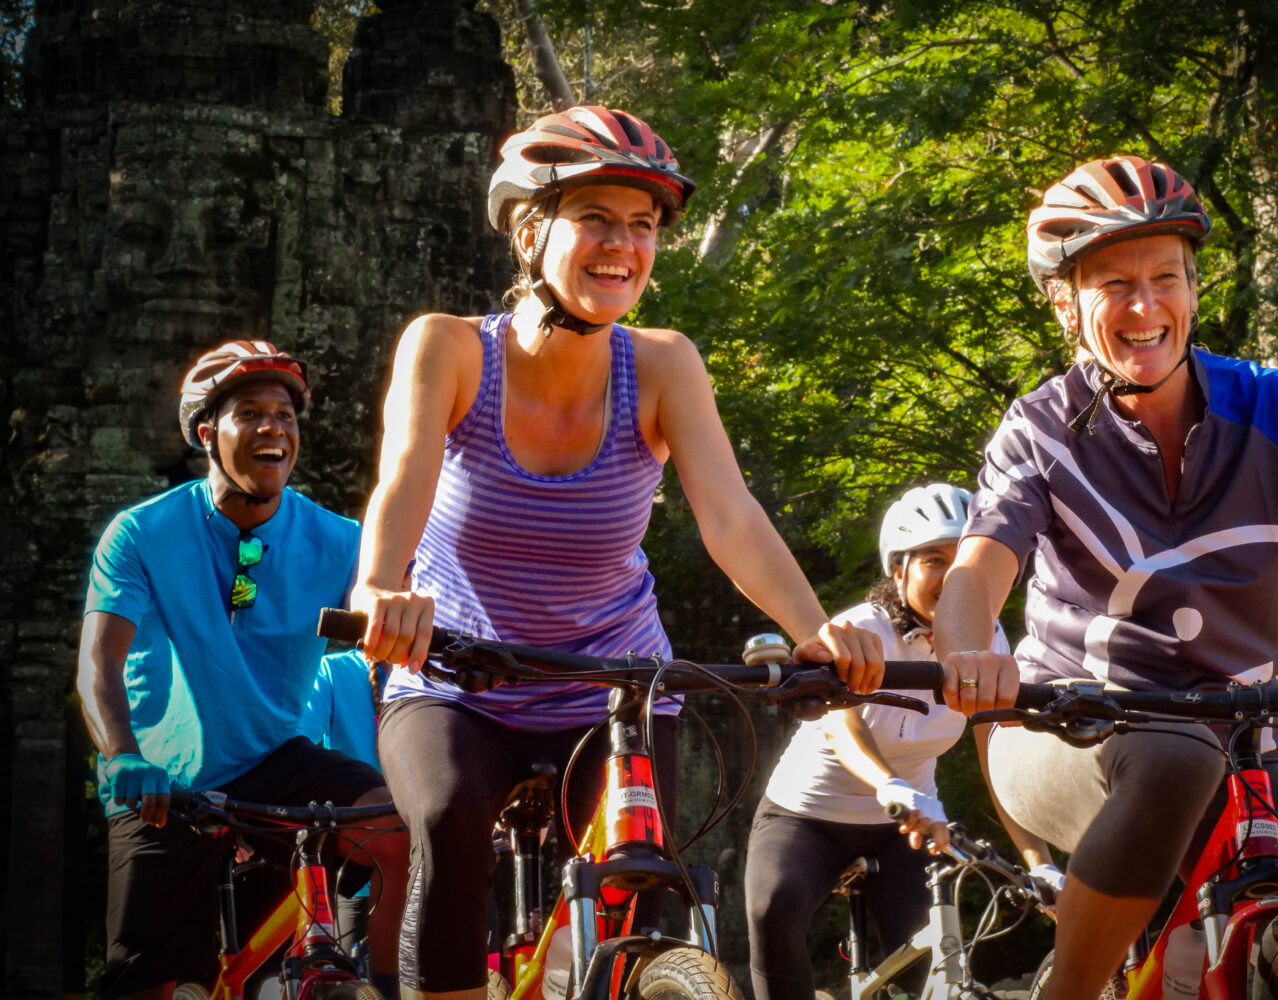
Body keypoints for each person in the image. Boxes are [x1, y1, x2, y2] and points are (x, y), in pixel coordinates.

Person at [351, 105, 947, 998]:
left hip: (618, 685)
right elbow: (403, 481)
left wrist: (815, 630)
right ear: (528, 230)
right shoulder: (448, 348)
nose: (621, 245)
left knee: (639, 875)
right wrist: (378, 588)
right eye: (595, 218)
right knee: (446, 818)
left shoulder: (665, 365)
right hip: (459, 679)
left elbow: (730, 517)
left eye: (642, 226)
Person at [933, 155, 1278, 1000]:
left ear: (1195, 290)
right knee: (1171, 760)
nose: (1144, 305)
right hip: (1066, 731)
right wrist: (970, 647)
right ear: (1064, 301)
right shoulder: (1038, 430)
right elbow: (979, 567)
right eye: (1112, 284)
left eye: (1166, 277)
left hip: (1245, 750)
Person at [76, 340, 409, 1000]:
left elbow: (401, 622)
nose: (273, 429)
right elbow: (98, 665)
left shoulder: (340, 541)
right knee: (152, 985)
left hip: (279, 763)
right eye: (251, 413)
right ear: (207, 433)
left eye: (285, 416)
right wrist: (122, 756)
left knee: (399, 831)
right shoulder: (140, 534)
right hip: (162, 783)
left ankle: (386, 981)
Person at [744, 484, 1059, 1000]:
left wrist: (1039, 862)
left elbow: (997, 756)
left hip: (901, 831)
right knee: (773, 908)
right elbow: (843, 725)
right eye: (935, 559)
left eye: (965, 561)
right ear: (898, 570)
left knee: (927, 965)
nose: (953, 577)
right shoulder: (859, 630)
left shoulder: (988, 643)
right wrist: (892, 785)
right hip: (807, 816)